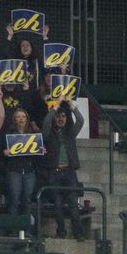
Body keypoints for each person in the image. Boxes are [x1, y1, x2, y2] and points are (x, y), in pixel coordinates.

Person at [42, 101, 85, 240]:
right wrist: (57, 105)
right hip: (54, 172)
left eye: (64, 116)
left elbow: (80, 120)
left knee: (73, 204)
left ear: (67, 118)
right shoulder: (48, 133)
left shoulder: (70, 133)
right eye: (58, 116)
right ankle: (61, 232)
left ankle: (78, 233)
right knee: (58, 205)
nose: (61, 119)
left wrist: (72, 106)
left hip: (69, 171)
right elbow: (46, 121)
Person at [2, 106, 42, 219]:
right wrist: (5, 152)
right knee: (14, 198)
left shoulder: (33, 134)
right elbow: (2, 149)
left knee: (27, 200)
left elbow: (38, 151)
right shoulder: (8, 133)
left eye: (23, 116)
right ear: (14, 119)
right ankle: (13, 227)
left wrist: (41, 150)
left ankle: (26, 228)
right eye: (18, 117)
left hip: (29, 170)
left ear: (27, 119)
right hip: (14, 169)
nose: (21, 119)